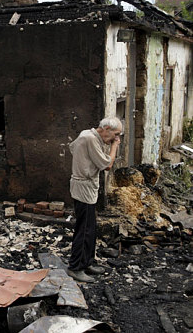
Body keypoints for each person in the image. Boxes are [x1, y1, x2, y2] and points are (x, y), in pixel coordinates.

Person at [67, 117, 122, 283]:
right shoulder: (89, 138)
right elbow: (107, 165)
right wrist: (114, 146)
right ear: (105, 128)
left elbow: (72, 147)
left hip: (87, 187)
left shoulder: (90, 137)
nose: (116, 138)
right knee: (84, 230)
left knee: (90, 228)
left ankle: (87, 262)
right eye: (115, 134)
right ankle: (75, 268)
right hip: (83, 188)